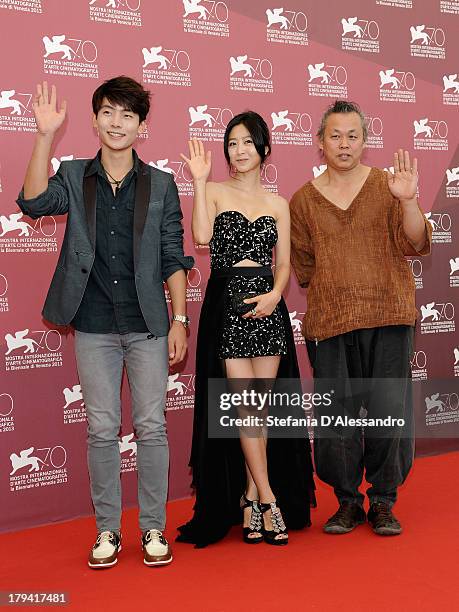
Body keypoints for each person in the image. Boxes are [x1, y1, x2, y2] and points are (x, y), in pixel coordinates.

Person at [16, 77, 194, 567]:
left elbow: (172, 256)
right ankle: (108, 532)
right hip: (93, 323)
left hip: (148, 324)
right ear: (94, 120)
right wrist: (44, 136)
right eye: (109, 113)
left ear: (142, 125)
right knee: (101, 429)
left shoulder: (160, 183)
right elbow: (32, 202)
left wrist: (179, 319)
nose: (118, 123)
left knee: (152, 427)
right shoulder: (74, 176)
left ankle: (154, 529)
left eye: (128, 115)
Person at [290, 100, 432, 536]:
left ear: (366, 141)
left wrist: (409, 202)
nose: (344, 143)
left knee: (389, 413)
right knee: (337, 419)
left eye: (353, 135)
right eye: (335, 135)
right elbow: (306, 267)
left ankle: (384, 501)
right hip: (331, 325)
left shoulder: (391, 187)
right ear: (319, 142)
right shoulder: (303, 201)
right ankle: (348, 502)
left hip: (389, 316)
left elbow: (416, 243)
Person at [176, 111, 315, 548]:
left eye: (246, 143)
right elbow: (200, 236)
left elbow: (286, 263)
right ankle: (268, 497)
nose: (238, 151)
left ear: (264, 149)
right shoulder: (215, 191)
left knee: (263, 406)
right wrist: (198, 182)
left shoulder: (278, 204)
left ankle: (252, 498)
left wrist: (276, 295)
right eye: (232, 143)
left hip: (267, 306)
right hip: (229, 304)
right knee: (246, 407)